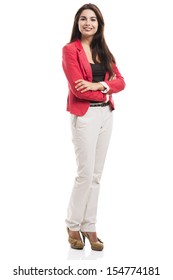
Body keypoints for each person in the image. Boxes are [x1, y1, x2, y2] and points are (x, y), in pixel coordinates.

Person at [62, 3, 125, 251]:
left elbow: (121, 81)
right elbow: (78, 89)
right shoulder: (70, 50)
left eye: (93, 20)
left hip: (106, 116)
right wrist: (106, 89)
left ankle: (89, 225)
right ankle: (72, 224)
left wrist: (98, 86)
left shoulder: (104, 52)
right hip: (85, 116)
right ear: (77, 22)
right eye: (83, 19)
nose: (88, 23)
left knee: (96, 176)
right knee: (84, 174)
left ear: (99, 25)